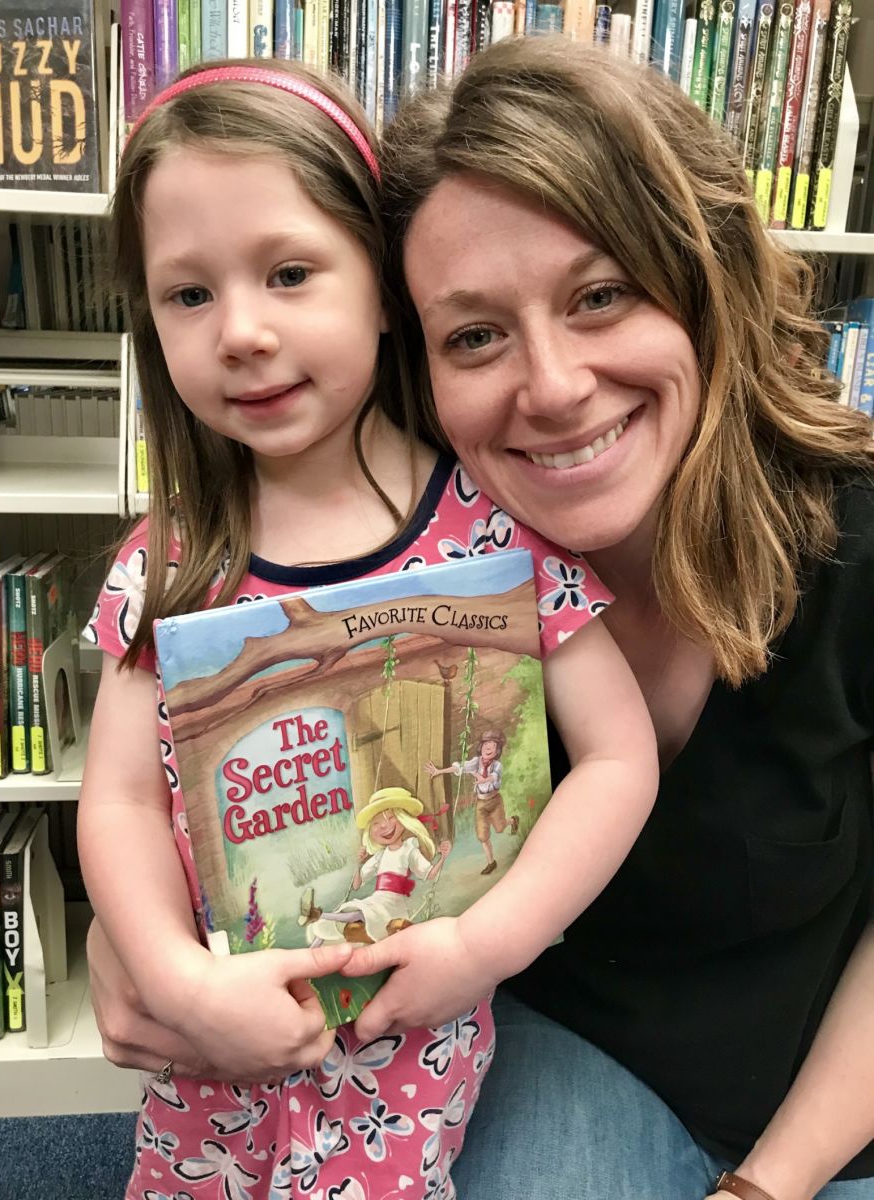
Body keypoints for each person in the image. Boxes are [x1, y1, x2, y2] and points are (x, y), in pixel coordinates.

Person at [76, 56, 658, 1199]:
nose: (239, 331)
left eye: (290, 273)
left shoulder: (499, 533)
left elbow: (620, 758)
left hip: (410, 1071)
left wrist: (486, 949)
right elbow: (119, 798)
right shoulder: (172, 559)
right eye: (187, 294)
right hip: (214, 1078)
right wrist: (174, 980)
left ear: (384, 287)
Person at [366, 35, 874, 1200]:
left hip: (839, 1101)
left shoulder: (860, 541)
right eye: (475, 335)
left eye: (602, 295)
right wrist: (136, 955)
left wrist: (770, 1185)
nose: (551, 386)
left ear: (707, 285)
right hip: (572, 1053)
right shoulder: (418, 576)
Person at [299, 786, 452, 945]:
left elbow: (429, 874)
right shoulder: (380, 855)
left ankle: (317, 914)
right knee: (346, 913)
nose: (384, 826)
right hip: (377, 900)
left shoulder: (409, 850)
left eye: (390, 818)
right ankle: (313, 943)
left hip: (392, 905)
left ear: (404, 819)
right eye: (376, 823)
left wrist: (442, 858)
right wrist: (358, 864)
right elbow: (357, 884)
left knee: (358, 915)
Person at [425, 728, 518, 874]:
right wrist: (439, 771)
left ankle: (512, 821)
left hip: (494, 801)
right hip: (481, 803)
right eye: (487, 744)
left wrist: (483, 779)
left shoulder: (497, 765)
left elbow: (493, 777)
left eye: (493, 745)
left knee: (499, 828)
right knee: (482, 836)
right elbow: (460, 767)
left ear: (497, 750)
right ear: (481, 747)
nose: (489, 748)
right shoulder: (476, 762)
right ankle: (491, 862)